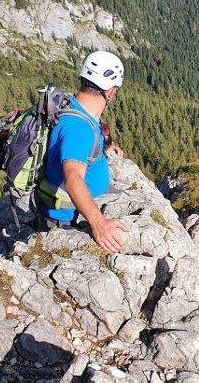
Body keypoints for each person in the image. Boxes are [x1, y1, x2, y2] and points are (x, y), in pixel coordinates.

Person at [38, 50, 129, 253]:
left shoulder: (75, 106)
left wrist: (101, 147)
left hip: (74, 208)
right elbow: (73, 178)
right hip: (68, 219)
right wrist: (98, 224)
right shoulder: (78, 129)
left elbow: (77, 143)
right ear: (111, 91)